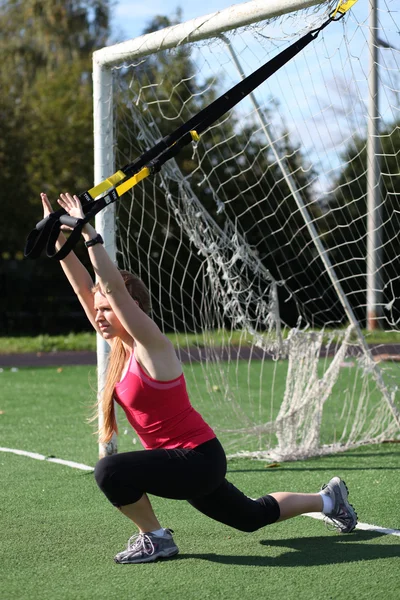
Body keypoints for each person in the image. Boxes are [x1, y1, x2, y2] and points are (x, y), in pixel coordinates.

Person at [41, 191, 358, 565]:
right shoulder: (120, 351)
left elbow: (111, 289)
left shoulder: (151, 347)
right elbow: (86, 288)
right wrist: (58, 236)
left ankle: (155, 538)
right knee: (250, 518)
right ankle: (329, 499)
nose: (100, 315)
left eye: (108, 309)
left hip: (197, 460)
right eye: (99, 310)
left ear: (134, 310)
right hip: (187, 463)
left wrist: (89, 234)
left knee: (110, 471)